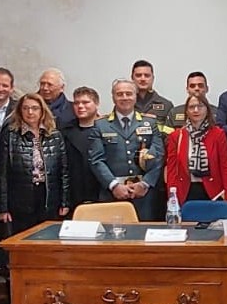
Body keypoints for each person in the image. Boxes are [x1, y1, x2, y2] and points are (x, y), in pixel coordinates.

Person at [89, 79, 165, 221]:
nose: (124, 97)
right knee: (112, 234)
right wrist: (114, 185)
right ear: (113, 97)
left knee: (144, 232)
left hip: (144, 195)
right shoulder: (100, 125)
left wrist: (145, 184)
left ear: (135, 96)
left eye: (129, 94)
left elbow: (159, 156)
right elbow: (96, 160)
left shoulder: (149, 123)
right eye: (120, 94)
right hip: (112, 194)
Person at [0, 93, 70, 234]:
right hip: (20, 198)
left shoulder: (54, 135)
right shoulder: (10, 135)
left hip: (48, 196)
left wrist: (65, 202)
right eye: (25, 108)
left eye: (35, 108)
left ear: (42, 111)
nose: (30, 112)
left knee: (48, 237)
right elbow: (2, 173)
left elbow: (63, 171)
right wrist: (2, 208)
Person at [166, 76, 227, 203]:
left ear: (207, 109)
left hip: (214, 192)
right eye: (192, 107)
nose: (196, 110)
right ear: (187, 111)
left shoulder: (218, 134)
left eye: (200, 106)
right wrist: (172, 197)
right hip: (185, 191)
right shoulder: (176, 136)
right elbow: (171, 170)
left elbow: (226, 167)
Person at [62, 86, 103, 207]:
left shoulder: (106, 128)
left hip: (101, 191)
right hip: (74, 193)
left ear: (96, 104)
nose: (80, 106)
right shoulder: (64, 131)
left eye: (85, 102)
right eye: (76, 103)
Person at [131, 59, 174, 134]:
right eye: (138, 75)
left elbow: (170, 136)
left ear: (153, 78)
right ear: (132, 78)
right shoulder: (125, 104)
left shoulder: (166, 105)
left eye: (147, 75)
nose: (143, 79)